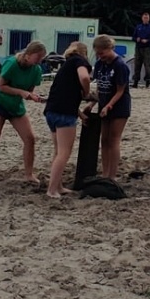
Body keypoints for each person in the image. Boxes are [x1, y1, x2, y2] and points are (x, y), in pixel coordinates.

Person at [0, 41, 47, 184]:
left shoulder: (36, 70)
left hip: (16, 106)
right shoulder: (12, 63)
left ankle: (29, 175)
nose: (40, 61)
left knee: (30, 139)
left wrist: (34, 96)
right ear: (28, 54)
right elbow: (1, 86)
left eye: (41, 58)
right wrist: (21, 92)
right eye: (38, 57)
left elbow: (29, 91)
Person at [43, 41, 92, 197]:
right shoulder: (80, 61)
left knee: (58, 152)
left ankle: (58, 186)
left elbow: (65, 95)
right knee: (64, 153)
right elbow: (84, 77)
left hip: (51, 111)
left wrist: (81, 114)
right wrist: (86, 92)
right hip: (64, 115)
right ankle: (51, 190)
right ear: (83, 52)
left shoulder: (65, 66)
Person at [89, 34, 131, 179]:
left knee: (114, 139)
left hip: (119, 107)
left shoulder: (120, 65)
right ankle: (105, 173)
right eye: (97, 54)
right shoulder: (100, 64)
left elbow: (120, 91)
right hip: (104, 104)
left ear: (110, 48)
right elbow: (100, 87)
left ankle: (112, 175)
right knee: (104, 140)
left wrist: (109, 105)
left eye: (102, 53)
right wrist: (93, 103)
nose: (100, 56)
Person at [132, 11, 150, 87]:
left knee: (147, 65)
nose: (146, 19)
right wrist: (136, 39)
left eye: (147, 18)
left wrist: (147, 40)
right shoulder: (138, 27)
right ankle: (135, 82)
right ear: (142, 18)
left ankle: (147, 82)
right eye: (144, 17)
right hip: (138, 48)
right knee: (137, 65)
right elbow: (133, 37)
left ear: (149, 19)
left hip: (147, 48)